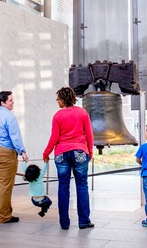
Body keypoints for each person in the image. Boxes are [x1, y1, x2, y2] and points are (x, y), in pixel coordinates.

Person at [43, 87, 94, 230]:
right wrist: (89, 151)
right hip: (80, 151)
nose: (57, 102)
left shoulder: (58, 116)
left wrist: (46, 153)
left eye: (58, 99)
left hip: (61, 153)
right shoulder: (82, 113)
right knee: (82, 185)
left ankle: (64, 223)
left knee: (63, 187)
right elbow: (89, 135)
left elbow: (54, 138)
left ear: (63, 99)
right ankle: (84, 221)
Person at [0, 91, 29, 223]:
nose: (13, 102)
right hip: (5, 153)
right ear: (3, 102)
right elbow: (15, 136)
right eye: (10, 100)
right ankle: (5, 216)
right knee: (5, 185)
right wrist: (22, 151)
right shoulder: (9, 117)